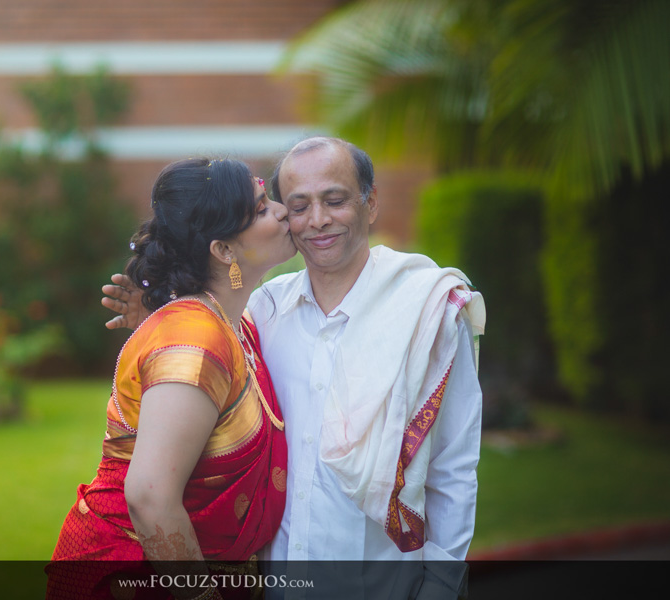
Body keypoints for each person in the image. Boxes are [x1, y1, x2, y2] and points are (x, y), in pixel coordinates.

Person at [103, 137, 485, 598]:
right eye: (295, 205)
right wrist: (161, 322)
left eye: (336, 200)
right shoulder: (262, 312)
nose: (315, 220)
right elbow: (189, 360)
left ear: (371, 202)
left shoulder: (429, 313)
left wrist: (441, 586)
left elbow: (453, 466)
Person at [46, 157, 293, 600]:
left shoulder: (235, 326)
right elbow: (149, 496)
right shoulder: (194, 342)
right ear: (224, 250)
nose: (282, 211)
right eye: (260, 209)